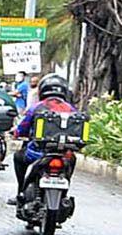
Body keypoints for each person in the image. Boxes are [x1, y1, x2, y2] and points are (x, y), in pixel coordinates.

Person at [10, 73, 77, 201]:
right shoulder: (71, 109)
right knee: (71, 160)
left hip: (37, 153)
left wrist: (17, 133)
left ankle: (20, 192)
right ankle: (64, 194)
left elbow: (23, 127)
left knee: (18, 157)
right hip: (64, 154)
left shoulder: (36, 107)